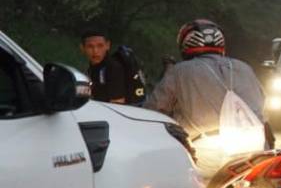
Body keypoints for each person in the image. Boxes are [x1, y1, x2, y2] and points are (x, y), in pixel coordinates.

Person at [145, 19, 269, 174]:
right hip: (255, 146)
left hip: (208, 149)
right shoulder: (244, 68)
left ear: (185, 45)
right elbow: (263, 102)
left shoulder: (179, 71)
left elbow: (154, 109)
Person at [79, 28, 127, 103]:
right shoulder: (91, 68)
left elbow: (118, 102)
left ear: (107, 46)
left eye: (100, 46)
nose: (95, 51)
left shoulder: (114, 68)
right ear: (82, 48)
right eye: (90, 46)